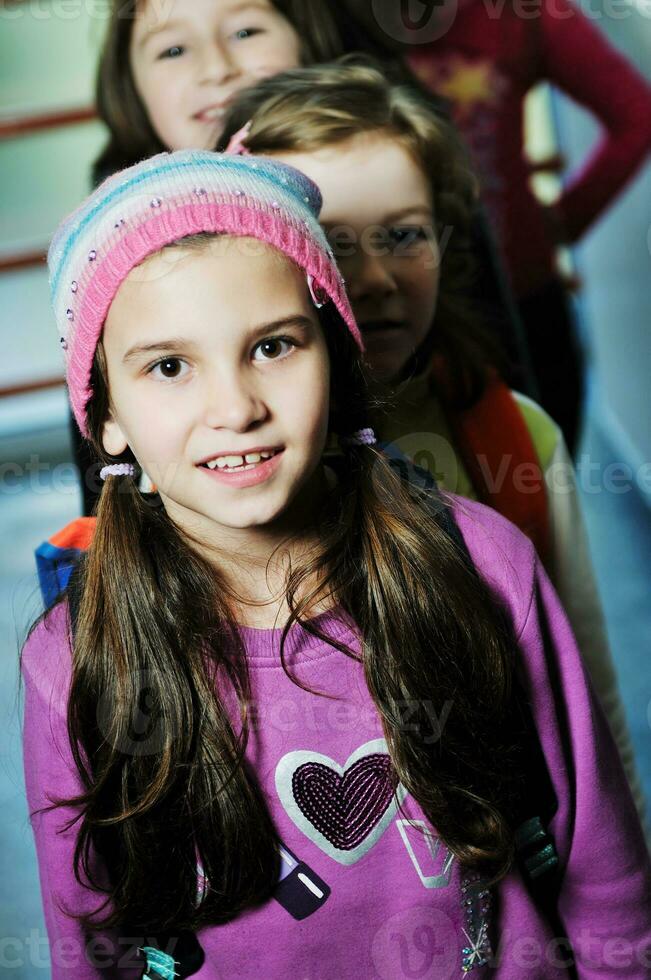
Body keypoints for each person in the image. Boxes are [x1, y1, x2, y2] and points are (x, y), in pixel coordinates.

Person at [21, 151, 651, 978]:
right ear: (105, 415)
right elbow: (88, 946)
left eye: (274, 346)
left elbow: (603, 877)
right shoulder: (72, 660)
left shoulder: (484, 566)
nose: (236, 408)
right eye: (169, 366)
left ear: (335, 354)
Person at [217, 58, 646, 824]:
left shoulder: (515, 435)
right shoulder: (230, 458)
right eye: (333, 243)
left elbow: (584, 688)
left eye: (404, 235)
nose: (377, 277)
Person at [70, 0, 530, 518]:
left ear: (307, 34)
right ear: (130, 86)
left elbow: (511, 394)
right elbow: (103, 498)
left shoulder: (409, 165)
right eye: (173, 48)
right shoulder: (107, 255)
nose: (218, 67)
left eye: (247, 30)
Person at [344, 0, 651, 454]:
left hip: (507, 302)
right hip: (409, 314)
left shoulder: (525, 15)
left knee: (531, 469)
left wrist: (560, 226)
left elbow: (636, 115)